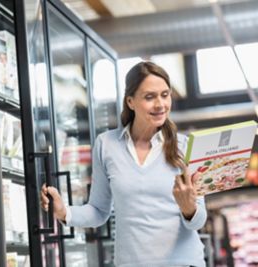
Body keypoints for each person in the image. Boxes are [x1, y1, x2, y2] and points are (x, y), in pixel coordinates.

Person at [41, 61, 207, 267]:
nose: (160, 104)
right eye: (150, 97)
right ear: (130, 101)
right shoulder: (107, 145)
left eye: (165, 95)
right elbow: (98, 210)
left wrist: (188, 208)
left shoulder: (186, 146)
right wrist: (64, 212)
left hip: (183, 263)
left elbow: (199, 220)